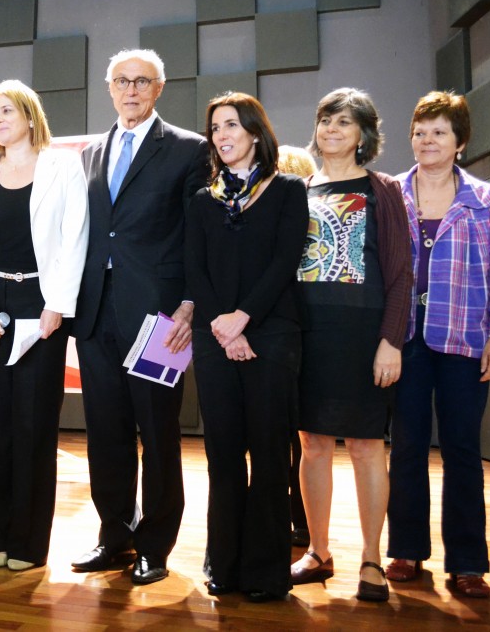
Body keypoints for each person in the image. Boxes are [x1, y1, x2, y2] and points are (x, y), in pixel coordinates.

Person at [72, 49, 209, 585]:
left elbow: (199, 233)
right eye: (122, 81)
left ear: (159, 88)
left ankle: (155, 545)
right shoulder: (90, 153)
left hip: (160, 317)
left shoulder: (188, 149)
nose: (131, 90)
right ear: (110, 88)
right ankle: (115, 534)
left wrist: (190, 302)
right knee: (105, 433)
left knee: (158, 434)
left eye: (142, 81)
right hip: (95, 312)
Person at [385, 91, 490, 598]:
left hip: (465, 338)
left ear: (460, 142)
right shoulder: (392, 192)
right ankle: (406, 550)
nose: (428, 140)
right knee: (407, 446)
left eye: (439, 132)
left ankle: (467, 562)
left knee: (463, 449)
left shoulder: (483, 198)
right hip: (404, 339)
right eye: (420, 132)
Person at [0, 79, 88, 571]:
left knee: (32, 426)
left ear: (30, 116)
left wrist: (58, 304)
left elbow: (75, 236)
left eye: (7, 111)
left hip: (43, 304)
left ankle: (29, 545)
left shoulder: (63, 166)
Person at [186, 93, 309, 602]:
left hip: (272, 334)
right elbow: (195, 268)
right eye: (215, 128)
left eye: (232, 125)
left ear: (256, 132)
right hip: (214, 337)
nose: (222, 135)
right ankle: (225, 564)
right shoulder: (203, 199)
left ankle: (265, 572)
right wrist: (223, 325)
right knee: (223, 455)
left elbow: (285, 261)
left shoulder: (288, 189)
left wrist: (243, 320)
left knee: (270, 454)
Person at [290, 88, 412, 603]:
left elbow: (401, 274)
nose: (332, 130)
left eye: (344, 122)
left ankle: (370, 558)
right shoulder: (297, 190)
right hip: (308, 336)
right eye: (325, 121)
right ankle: (318, 552)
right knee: (312, 445)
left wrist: (390, 341)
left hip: (364, 338)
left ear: (364, 134)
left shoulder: (383, 189)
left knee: (366, 447)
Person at [276, 144, 318, 549]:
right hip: (301, 330)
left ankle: (300, 522)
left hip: (288, 330)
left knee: (295, 439)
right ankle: (303, 522)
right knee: (301, 440)